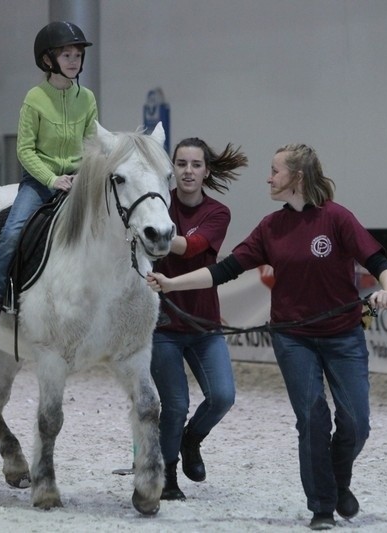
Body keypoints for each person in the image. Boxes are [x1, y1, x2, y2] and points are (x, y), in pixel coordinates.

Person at [146, 143, 387, 530]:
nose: (268, 177)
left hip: (343, 336)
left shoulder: (337, 219)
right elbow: (224, 270)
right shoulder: (270, 227)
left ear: (296, 177)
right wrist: (171, 283)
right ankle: (322, 507)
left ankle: (337, 480)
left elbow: (380, 263)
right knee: (312, 418)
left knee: (356, 422)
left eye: (275, 171)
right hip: (292, 338)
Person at [0, 21, 98, 345]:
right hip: (41, 181)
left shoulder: (88, 99)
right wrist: (53, 179)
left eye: (77, 55)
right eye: (66, 54)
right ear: (48, 61)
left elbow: (92, 144)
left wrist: (81, 175)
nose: (74, 60)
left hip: (79, 180)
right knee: (12, 232)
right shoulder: (35, 98)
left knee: (120, 220)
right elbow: (24, 150)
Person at [151, 138, 248, 501]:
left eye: (195, 164)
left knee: (222, 396)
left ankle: (192, 440)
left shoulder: (217, 212)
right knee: (174, 404)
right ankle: (167, 472)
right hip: (162, 325)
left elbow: (193, 247)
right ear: (172, 169)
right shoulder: (156, 204)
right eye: (181, 164)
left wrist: (155, 232)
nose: (188, 171)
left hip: (205, 324)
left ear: (207, 170)